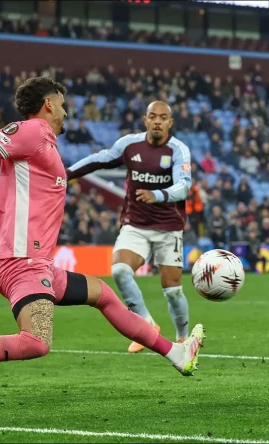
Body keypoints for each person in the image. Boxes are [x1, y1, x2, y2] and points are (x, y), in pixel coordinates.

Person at [0, 77, 205, 404]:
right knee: (37, 342)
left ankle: (176, 352)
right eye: (61, 104)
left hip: (37, 262)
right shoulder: (30, 131)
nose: (66, 112)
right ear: (48, 105)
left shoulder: (36, 146)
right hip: (19, 261)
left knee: (104, 295)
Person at [65, 101, 193, 353]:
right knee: (121, 270)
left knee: (173, 291)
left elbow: (183, 187)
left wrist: (156, 195)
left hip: (168, 227)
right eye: (153, 116)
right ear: (145, 120)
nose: (157, 121)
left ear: (170, 123)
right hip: (135, 224)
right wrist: (66, 173)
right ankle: (146, 325)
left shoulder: (178, 150)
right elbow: (99, 159)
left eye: (163, 117)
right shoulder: (129, 145)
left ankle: (183, 339)